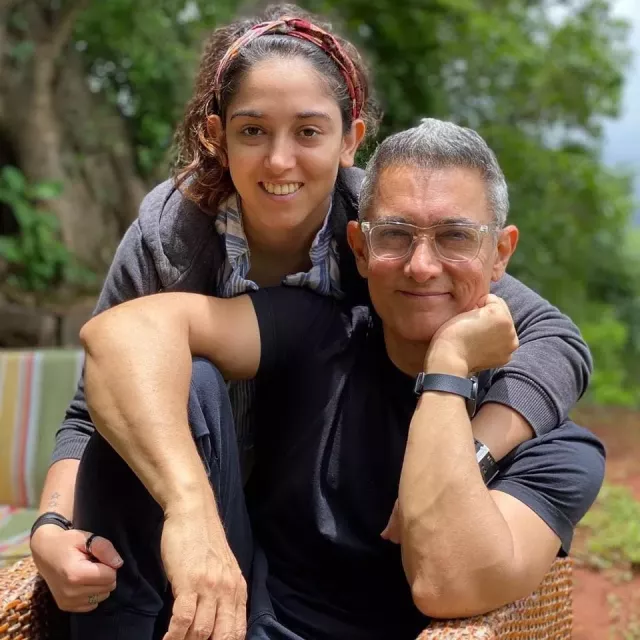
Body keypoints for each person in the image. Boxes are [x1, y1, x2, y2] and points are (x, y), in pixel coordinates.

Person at [27, 1, 591, 630]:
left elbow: (552, 339)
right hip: (192, 501)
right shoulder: (171, 237)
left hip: (311, 527)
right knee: (174, 379)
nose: (279, 161)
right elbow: (100, 399)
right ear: (217, 137)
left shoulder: (392, 232)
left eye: (309, 132)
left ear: (350, 140)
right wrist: (57, 524)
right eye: (252, 131)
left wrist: (472, 453)